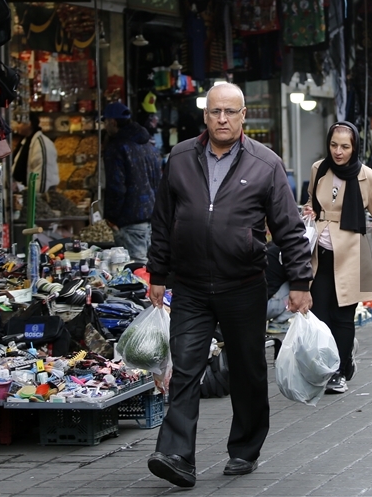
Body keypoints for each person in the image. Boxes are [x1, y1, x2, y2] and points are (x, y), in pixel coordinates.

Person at [146, 83, 312, 488]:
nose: (222, 119)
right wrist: (158, 274)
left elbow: (289, 227)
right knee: (186, 368)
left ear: (243, 116)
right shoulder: (180, 157)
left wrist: (300, 280)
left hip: (243, 285)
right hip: (190, 286)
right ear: (205, 115)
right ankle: (176, 455)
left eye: (230, 112)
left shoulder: (265, 163)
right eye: (215, 111)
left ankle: (245, 449)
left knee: (247, 370)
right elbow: (162, 220)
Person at [302, 122, 372, 394]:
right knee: (320, 315)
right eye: (334, 145)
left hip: (351, 253)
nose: (338, 151)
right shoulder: (319, 169)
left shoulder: (365, 175)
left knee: (343, 316)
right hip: (319, 254)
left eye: (345, 146)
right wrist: (309, 210)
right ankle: (328, 365)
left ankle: (339, 370)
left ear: (354, 147)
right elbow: (311, 201)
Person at [102, 102, 162, 262]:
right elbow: (159, 182)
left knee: (133, 269)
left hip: (130, 221)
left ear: (112, 122)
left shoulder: (117, 147)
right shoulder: (148, 145)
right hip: (151, 218)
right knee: (150, 268)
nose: (105, 126)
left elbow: (116, 186)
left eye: (105, 122)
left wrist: (111, 217)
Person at [11, 114, 59, 192]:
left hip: (36, 196)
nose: (17, 126)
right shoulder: (25, 141)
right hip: (27, 193)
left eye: (20, 123)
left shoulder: (41, 143)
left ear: (29, 123)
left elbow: (42, 179)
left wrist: (33, 195)